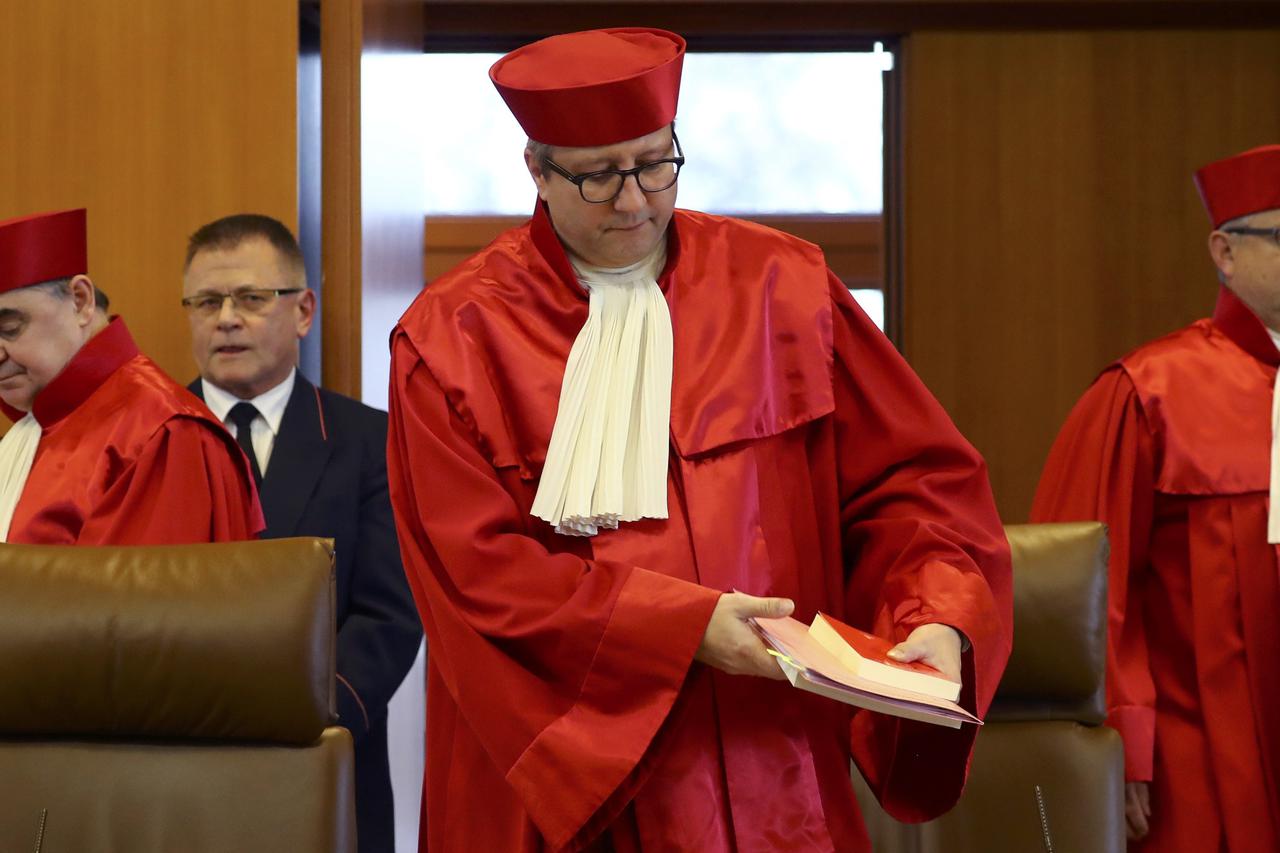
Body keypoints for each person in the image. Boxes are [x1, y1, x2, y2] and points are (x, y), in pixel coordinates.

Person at [386, 28, 1012, 852]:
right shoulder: (454, 338)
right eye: (600, 176)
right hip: (574, 787)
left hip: (772, 756)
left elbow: (915, 488)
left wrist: (937, 616)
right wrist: (680, 630)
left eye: (655, 163)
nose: (637, 200)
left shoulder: (782, 285)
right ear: (537, 170)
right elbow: (477, 578)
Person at [1032, 144, 1280, 852]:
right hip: (1201, 752)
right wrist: (1123, 738)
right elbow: (1081, 595)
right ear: (1224, 252)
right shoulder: (1150, 392)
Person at [182, 213, 422, 853]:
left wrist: (300, 715)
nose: (227, 318)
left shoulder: (370, 442)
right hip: (175, 766)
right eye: (207, 301)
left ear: (303, 311)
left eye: (252, 299)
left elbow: (390, 617)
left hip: (321, 759)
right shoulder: (147, 441)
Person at [0, 207, 261, 544]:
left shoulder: (163, 433)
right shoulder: (36, 426)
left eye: (9, 327)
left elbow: (143, 596)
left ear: (80, 301)